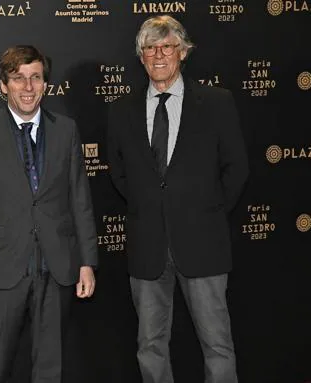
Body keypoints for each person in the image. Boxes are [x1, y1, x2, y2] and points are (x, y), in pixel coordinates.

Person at [107, 15, 248, 383]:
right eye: (150, 48)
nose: (158, 55)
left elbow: (236, 169)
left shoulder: (217, 103)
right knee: (150, 346)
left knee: (217, 344)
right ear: (140, 56)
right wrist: (153, 206)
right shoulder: (122, 109)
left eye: (167, 47)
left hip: (204, 244)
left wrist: (207, 212)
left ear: (182, 52)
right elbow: (120, 174)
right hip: (147, 246)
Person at [0, 45, 98, 383]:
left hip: (57, 265)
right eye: (18, 79)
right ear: (4, 85)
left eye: (35, 78)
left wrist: (87, 262)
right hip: (0, 269)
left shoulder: (66, 129)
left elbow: (80, 199)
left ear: (46, 84)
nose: (28, 87)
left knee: (51, 365)